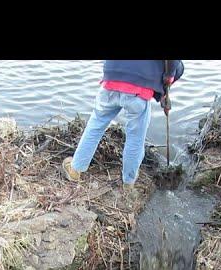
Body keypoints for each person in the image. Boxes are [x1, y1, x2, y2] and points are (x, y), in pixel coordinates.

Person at [62, 60, 184, 195]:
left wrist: (163, 95)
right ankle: (128, 184)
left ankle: (75, 169)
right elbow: (172, 66)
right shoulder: (170, 71)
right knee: (135, 137)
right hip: (138, 90)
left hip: (111, 78)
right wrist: (169, 78)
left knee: (96, 124)